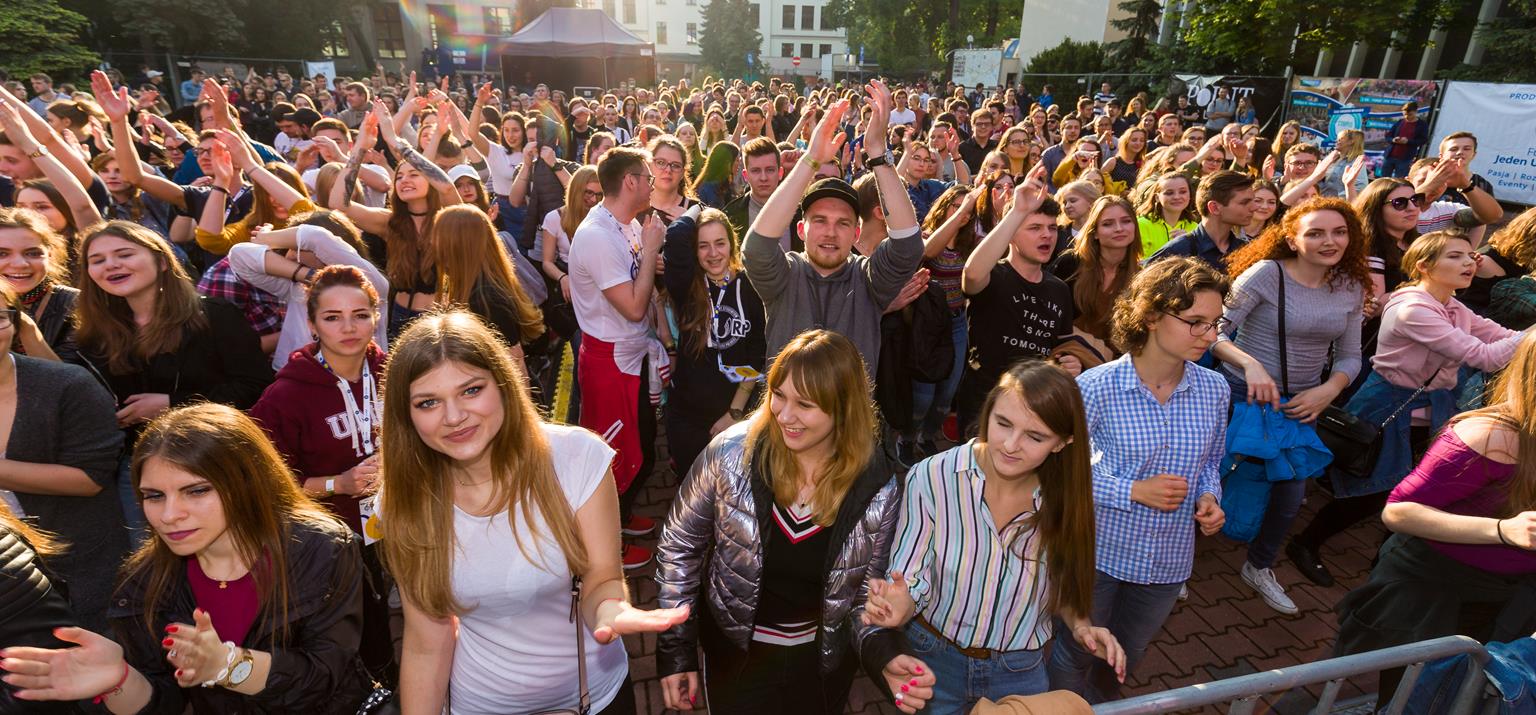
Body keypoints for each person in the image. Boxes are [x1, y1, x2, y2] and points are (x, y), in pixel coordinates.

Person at [378, 311, 687, 714]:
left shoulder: (575, 459)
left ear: (503, 383)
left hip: (591, 699)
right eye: (428, 402)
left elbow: (601, 579)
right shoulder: (406, 498)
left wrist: (612, 610)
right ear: (406, 415)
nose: (453, 417)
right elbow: (426, 641)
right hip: (481, 705)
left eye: (471, 390)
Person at [0, 403, 375, 712]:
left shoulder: (320, 548)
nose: (169, 515)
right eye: (154, 496)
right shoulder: (143, 582)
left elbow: (326, 678)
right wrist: (120, 680)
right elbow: (165, 704)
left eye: (196, 491)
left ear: (247, 482)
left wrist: (227, 665)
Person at [654, 329, 934, 714]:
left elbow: (861, 597)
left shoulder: (876, 486)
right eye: (778, 395)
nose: (784, 416)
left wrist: (884, 654)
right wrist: (676, 648)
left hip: (820, 669)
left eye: (804, 404)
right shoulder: (730, 455)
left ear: (843, 408)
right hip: (737, 661)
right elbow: (679, 547)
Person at [867, 360, 1126, 710]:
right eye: (1003, 423)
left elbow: (1061, 580)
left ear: (1062, 443)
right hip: (933, 659)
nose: (1010, 444)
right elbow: (910, 574)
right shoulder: (932, 475)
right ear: (988, 411)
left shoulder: (1068, 497)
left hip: (1020, 670)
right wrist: (900, 604)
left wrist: (1081, 626)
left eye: (1035, 436)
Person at [1288, 231, 1526, 587]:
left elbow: (1498, 334)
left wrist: (1523, 337)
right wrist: (1531, 336)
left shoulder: (1453, 305)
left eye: (1469, 256)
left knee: (1409, 489)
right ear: (1424, 266)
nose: (1468, 263)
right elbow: (1484, 356)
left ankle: (1383, 567)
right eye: (1455, 256)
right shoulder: (1413, 309)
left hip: (1429, 408)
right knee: (1373, 491)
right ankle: (1305, 543)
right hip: (1390, 403)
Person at [1049, 256, 1230, 703]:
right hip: (1098, 554)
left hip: (1167, 563)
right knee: (1075, 650)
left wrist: (1209, 497)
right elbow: (1061, 474)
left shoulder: (1215, 389)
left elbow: (1210, 462)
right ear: (1151, 315)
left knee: (1125, 656)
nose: (1210, 336)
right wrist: (1131, 490)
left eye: (1215, 324)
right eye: (1195, 322)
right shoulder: (1095, 388)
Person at [1334, 331, 1536, 703]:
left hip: (1500, 597)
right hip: (1432, 592)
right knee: (1407, 699)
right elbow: (1399, 511)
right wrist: (1502, 530)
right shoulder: (1488, 435)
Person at [1209, 198, 1370, 613]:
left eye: (1339, 232)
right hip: (1241, 396)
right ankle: (1175, 565)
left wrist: (1329, 389)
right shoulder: (1267, 273)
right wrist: (1250, 365)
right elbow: (1212, 331)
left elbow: (1351, 356)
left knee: (1290, 493)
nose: (1329, 241)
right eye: (1315, 233)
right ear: (1293, 239)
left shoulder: (1350, 285)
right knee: (1209, 479)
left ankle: (1259, 566)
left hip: (1301, 406)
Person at [743, 81, 922, 376]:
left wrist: (878, 153)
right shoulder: (784, 277)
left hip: (850, 408)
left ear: (855, 234)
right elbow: (756, 248)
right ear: (801, 230)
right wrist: (810, 160)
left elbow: (907, 244)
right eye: (820, 221)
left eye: (843, 223)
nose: (830, 232)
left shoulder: (869, 280)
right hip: (787, 406)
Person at [0, 281, 127, 634]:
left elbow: (90, 478)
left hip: (77, 563)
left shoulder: (67, 385)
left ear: (16, 324)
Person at [568, 146, 668, 569]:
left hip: (631, 352)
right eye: (648, 177)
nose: (652, 184)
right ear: (630, 182)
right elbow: (632, 306)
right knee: (612, 455)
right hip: (609, 360)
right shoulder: (597, 235)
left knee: (639, 445)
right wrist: (651, 251)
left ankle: (620, 519)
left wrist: (650, 260)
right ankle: (603, 548)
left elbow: (638, 283)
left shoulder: (625, 224)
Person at [75, 221, 274, 427]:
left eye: (125, 255)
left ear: (162, 262)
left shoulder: (215, 314)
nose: (110, 265)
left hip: (205, 439)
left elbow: (256, 387)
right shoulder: (93, 331)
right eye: (97, 260)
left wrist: (175, 404)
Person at [957, 167, 1076, 436]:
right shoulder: (993, 275)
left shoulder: (1059, 290)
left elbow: (1060, 348)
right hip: (984, 404)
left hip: (1034, 404)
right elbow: (971, 275)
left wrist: (1071, 363)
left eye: (1052, 228)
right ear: (1010, 233)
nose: (1047, 235)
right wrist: (1017, 211)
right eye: (1034, 228)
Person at [661, 205, 767, 474]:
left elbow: (758, 353)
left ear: (731, 244)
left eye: (720, 243)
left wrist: (734, 412)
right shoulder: (687, 286)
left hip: (736, 414)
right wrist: (697, 209)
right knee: (691, 487)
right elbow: (675, 237)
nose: (713, 253)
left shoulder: (752, 286)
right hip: (688, 418)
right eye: (703, 246)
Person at [227, 211, 387, 369]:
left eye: (296, 249)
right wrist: (311, 276)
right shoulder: (297, 286)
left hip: (362, 376)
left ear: (332, 250)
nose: (290, 256)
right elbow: (238, 255)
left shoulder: (370, 282)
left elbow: (315, 237)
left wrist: (265, 237)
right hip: (293, 374)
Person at [431, 205, 547, 357]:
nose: (432, 242)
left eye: (438, 236)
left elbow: (515, 359)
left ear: (460, 244)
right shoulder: (471, 285)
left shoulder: (486, 299)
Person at [1051, 195, 1142, 366]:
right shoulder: (1070, 264)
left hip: (1115, 366)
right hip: (1065, 358)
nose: (1119, 229)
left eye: (1126, 221)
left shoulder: (1140, 276)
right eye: (1108, 224)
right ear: (1095, 233)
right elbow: (1051, 318)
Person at [0, 207, 76, 361]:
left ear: (50, 255)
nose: (20, 264)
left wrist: (26, 328)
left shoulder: (76, 304)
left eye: (33, 253)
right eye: (2, 254)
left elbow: (71, 375)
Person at [1146, 171, 1255, 270]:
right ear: (1214, 208)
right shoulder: (1177, 252)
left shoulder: (1246, 250)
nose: (1254, 207)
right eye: (1244, 202)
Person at [725, 137, 794, 251]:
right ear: (745, 176)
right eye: (756, 171)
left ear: (780, 173)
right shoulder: (730, 216)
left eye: (770, 170)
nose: (763, 178)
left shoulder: (798, 213)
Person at [1135, 172, 1199, 258]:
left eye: (1182, 192)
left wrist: (1190, 244)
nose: (1176, 197)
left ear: (1190, 195)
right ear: (1157, 197)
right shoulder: (1141, 225)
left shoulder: (1195, 228)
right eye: (1169, 193)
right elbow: (1139, 263)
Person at [648, 135, 700, 222]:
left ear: (683, 172)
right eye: (661, 162)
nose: (668, 170)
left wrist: (689, 223)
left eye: (676, 165)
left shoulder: (696, 211)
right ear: (649, 165)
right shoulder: (633, 208)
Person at [1380, 101, 1428, 179]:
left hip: (1405, 159)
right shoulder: (1400, 122)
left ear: (1416, 112)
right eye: (1404, 114)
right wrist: (1393, 140)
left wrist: (1408, 141)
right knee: (1383, 179)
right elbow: (1388, 136)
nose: (1407, 116)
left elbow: (1423, 140)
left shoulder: (1422, 125)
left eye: (1410, 114)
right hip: (1390, 156)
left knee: (1400, 180)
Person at [691, 140, 741, 210]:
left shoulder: (725, 183)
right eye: (737, 160)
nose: (739, 164)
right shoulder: (709, 187)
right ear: (726, 162)